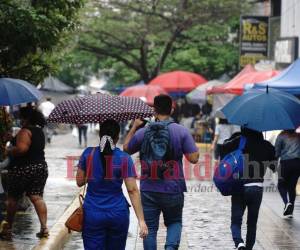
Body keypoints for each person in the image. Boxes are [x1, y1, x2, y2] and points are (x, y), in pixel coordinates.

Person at [124, 94, 199, 250]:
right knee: (174, 222)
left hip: (148, 189)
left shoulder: (143, 132)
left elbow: (126, 149)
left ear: (154, 110)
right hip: (173, 188)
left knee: (150, 228)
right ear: (171, 109)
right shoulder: (181, 131)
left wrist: (134, 126)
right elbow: (193, 158)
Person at [76, 119, 148, 250]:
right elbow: (132, 190)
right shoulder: (124, 158)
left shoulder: (88, 153)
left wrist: (93, 172)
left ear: (100, 135)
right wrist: (141, 220)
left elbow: (79, 181)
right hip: (118, 213)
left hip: (93, 213)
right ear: (117, 136)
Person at [220, 127, 276, 250]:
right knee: (252, 222)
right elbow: (274, 167)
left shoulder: (239, 141)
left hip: (239, 186)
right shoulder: (266, 145)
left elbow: (222, 149)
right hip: (256, 188)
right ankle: (249, 247)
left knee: (236, 220)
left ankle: (239, 243)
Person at [1, 107, 49, 239]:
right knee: (37, 197)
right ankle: (44, 228)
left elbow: (22, 149)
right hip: (40, 167)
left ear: (26, 119)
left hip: (23, 169)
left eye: (21, 117)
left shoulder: (25, 131)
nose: (19, 120)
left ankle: (8, 228)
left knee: (12, 199)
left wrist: (9, 150)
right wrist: (13, 138)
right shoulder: (39, 131)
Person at [275, 130, 300, 218]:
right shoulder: (298, 136)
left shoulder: (281, 135)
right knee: (291, 187)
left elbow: (277, 152)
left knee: (281, 185)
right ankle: (290, 211)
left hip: (285, 163)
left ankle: (287, 203)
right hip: (297, 164)